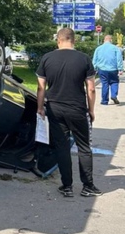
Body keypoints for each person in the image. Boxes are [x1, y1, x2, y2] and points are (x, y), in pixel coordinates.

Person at [36, 27, 102, 198]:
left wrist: (40, 107)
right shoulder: (84, 59)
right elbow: (91, 88)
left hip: (55, 108)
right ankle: (88, 186)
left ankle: (67, 186)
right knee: (84, 147)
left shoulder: (47, 58)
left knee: (62, 147)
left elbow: (40, 87)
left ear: (58, 40)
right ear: (74, 40)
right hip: (77, 108)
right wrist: (91, 110)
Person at [93, 34, 123, 105]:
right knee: (114, 82)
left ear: (104, 40)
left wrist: (94, 68)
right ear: (111, 40)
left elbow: (95, 60)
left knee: (105, 84)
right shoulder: (115, 48)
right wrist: (120, 69)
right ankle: (114, 95)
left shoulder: (98, 48)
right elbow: (119, 59)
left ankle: (104, 101)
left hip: (102, 69)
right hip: (113, 69)